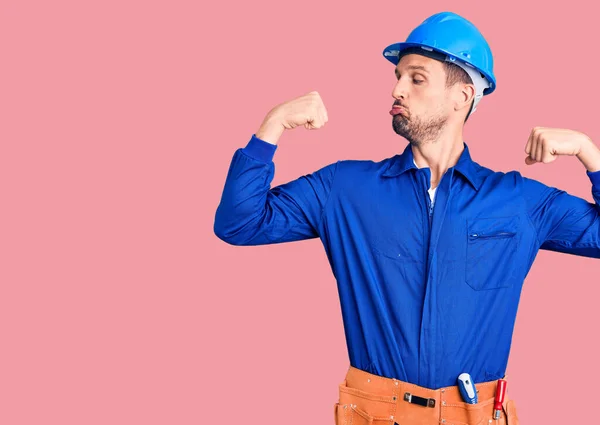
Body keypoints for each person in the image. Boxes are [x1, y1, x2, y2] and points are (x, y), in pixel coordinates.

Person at [214, 11, 600, 425]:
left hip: (476, 416)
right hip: (374, 415)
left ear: (462, 96)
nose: (397, 89)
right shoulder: (345, 189)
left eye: (416, 78)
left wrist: (587, 151)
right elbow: (240, 222)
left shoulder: (518, 201)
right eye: (398, 76)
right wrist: (271, 127)